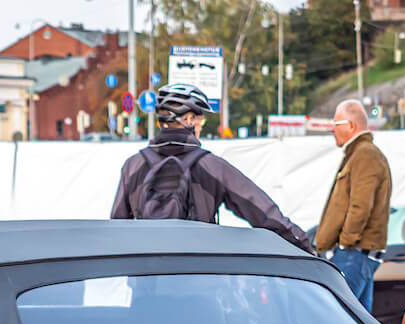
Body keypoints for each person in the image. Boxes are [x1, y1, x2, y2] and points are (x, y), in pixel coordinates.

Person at [111, 83, 313, 253]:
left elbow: (117, 227)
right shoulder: (211, 166)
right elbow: (263, 212)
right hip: (198, 281)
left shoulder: (133, 165)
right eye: (200, 119)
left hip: (145, 283)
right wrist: (304, 245)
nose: (200, 125)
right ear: (189, 119)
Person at [315, 99, 392, 312]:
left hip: (354, 254)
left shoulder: (365, 154)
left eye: (336, 123)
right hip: (357, 253)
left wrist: (345, 244)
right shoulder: (361, 153)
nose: (332, 129)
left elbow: (360, 206)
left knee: (336, 318)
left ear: (351, 125)